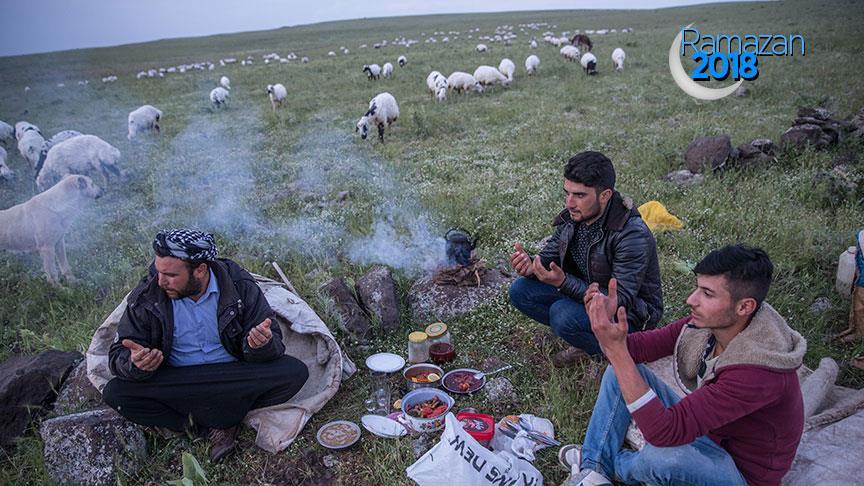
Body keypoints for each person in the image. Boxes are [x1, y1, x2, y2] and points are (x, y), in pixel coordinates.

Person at [560, 245, 805, 486]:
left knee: (663, 459)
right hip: (712, 436)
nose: (691, 300)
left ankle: (614, 467)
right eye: (697, 288)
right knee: (620, 371)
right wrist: (607, 324)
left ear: (744, 306)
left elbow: (664, 433)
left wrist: (617, 352)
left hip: (740, 474)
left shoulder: (758, 372)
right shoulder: (712, 325)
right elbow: (634, 350)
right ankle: (593, 470)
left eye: (707, 294)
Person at [103, 229, 309, 462]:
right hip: (179, 379)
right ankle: (219, 423)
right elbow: (119, 354)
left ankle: (207, 419)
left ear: (200, 270)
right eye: (158, 271)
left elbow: (273, 340)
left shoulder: (238, 284)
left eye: (170, 274)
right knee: (116, 393)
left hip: (233, 373)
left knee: (293, 372)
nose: (161, 281)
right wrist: (136, 364)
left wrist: (258, 345)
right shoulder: (148, 294)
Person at [508, 151, 663, 367]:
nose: (569, 203)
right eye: (567, 193)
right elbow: (549, 257)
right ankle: (586, 340)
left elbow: (620, 299)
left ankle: (616, 355)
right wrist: (531, 265)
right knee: (520, 290)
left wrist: (563, 283)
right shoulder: (575, 217)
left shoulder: (631, 233)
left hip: (631, 314)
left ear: (605, 195)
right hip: (587, 293)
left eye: (580, 195)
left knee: (563, 316)